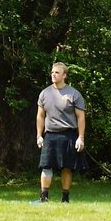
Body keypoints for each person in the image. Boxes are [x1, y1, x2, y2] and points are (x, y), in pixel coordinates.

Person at [35, 62, 87, 203]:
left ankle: (65, 199)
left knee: (67, 167)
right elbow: (40, 116)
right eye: (52, 72)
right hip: (50, 135)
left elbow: (81, 117)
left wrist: (80, 138)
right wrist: (39, 135)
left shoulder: (74, 94)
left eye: (57, 72)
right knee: (46, 166)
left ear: (64, 75)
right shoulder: (45, 93)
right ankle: (43, 198)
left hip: (68, 135)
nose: (53, 74)